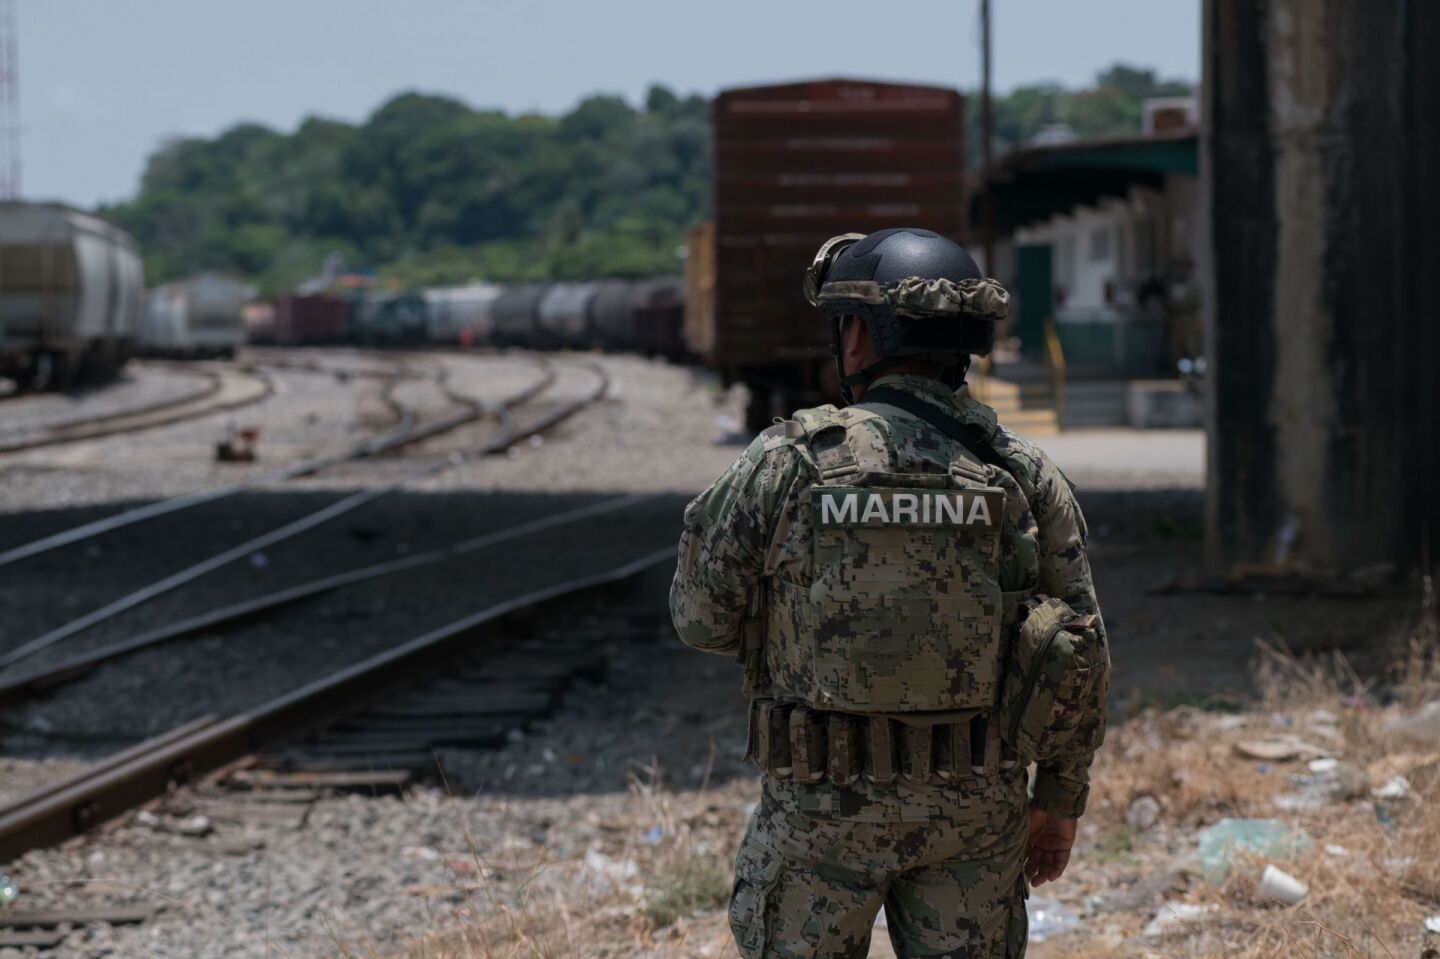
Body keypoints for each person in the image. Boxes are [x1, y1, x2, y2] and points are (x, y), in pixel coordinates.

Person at [671, 227, 1110, 958]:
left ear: (858, 338)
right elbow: (1080, 650)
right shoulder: (1022, 472)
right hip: (975, 811)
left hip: (820, 808)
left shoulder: (788, 463)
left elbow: (698, 619)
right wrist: (1060, 800)